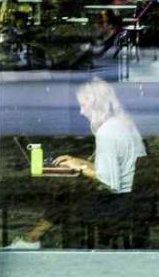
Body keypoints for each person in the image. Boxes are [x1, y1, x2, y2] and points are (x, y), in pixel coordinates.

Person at [8, 78, 147, 249]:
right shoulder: (123, 123)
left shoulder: (107, 132)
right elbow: (114, 167)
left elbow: (109, 180)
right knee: (68, 197)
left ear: (96, 104)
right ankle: (33, 237)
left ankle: (33, 239)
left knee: (66, 198)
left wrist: (81, 168)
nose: (81, 112)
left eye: (83, 105)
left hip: (119, 203)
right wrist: (78, 161)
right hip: (134, 198)